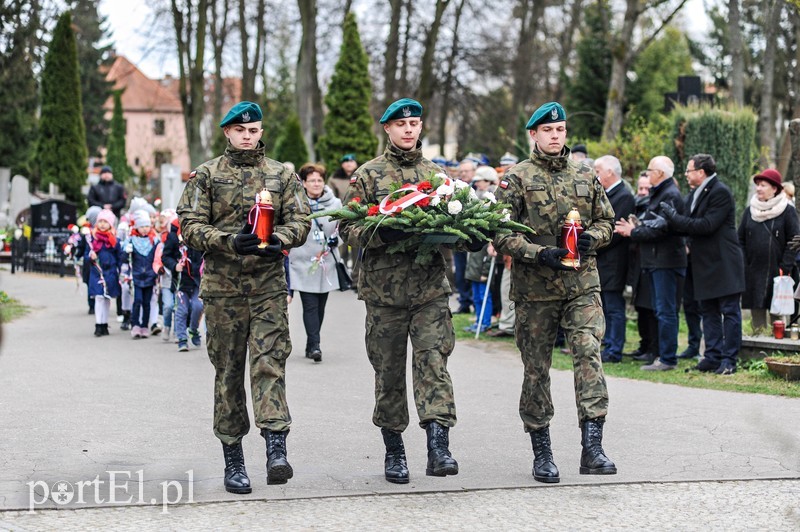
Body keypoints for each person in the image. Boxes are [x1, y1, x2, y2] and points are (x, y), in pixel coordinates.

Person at [178, 101, 310, 493]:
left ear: (260, 132)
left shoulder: (281, 175)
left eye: (254, 130)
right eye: (241, 130)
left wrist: (281, 240)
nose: (248, 136)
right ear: (228, 133)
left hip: (268, 287)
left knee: (270, 363)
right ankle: (233, 460)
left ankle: (276, 451)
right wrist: (228, 241)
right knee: (229, 372)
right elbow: (189, 224)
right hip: (223, 290)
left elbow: (300, 220)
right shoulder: (206, 175)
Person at [341, 98, 463, 485]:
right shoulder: (368, 175)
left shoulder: (438, 176)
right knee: (389, 373)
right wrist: (380, 233)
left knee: (434, 365)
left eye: (414, 122)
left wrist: (467, 238)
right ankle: (394, 451)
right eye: (401, 124)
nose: (409, 129)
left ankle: (438, 446)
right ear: (387, 129)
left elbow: (457, 221)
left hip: (429, 290)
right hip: (384, 295)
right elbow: (347, 228)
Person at [493, 101, 616, 484]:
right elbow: (500, 232)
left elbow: (606, 219)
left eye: (560, 130)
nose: (555, 135)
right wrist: (539, 253)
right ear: (533, 134)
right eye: (548, 130)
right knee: (536, 369)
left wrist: (590, 240)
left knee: (588, 355)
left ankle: (592, 446)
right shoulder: (515, 178)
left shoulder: (585, 173)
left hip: (582, 284)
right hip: (535, 290)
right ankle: (542, 450)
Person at [659, 154, 745, 375]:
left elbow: (706, 225)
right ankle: (712, 356)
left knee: (729, 311)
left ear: (701, 172)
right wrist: (667, 221)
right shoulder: (694, 194)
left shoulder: (720, 192)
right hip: (703, 263)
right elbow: (686, 225)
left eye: (689, 171)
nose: (686, 175)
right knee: (708, 311)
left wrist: (675, 218)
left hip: (724, 261)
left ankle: (729, 359)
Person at [615, 156, 686, 371]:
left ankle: (667, 358)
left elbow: (663, 228)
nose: (647, 173)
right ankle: (661, 355)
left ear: (661, 174)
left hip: (666, 260)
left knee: (666, 311)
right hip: (656, 260)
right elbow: (653, 221)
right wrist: (638, 224)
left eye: (650, 170)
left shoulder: (670, 194)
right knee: (660, 310)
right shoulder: (660, 193)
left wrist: (633, 231)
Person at [287, 162, 343, 363]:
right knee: (309, 305)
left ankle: (312, 343)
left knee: (320, 306)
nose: (317, 183)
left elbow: (342, 227)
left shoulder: (335, 204)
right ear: (303, 183)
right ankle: (315, 345)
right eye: (312, 180)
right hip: (303, 262)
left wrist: (338, 240)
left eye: (319, 180)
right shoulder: (297, 204)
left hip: (326, 262)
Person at [737, 169, 799, 333]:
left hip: (777, 271)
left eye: (763, 185)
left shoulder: (787, 211)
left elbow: (795, 239)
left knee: (777, 314)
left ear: (775, 188)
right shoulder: (750, 211)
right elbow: (740, 239)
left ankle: (777, 347)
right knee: (757, 312)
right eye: (757, 185)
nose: (758, 188)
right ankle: (758, 348)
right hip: (753, 270)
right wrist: (745, 263)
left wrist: (785, 266)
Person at [594, 155, 635, 363]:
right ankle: (608, 344)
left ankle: (614, 348)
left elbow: (616, 231)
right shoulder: (607, 193)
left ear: (610, 172)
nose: (596, 174)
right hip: (604, 260)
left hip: (614, 260)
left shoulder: (624, 196)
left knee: (614, 306)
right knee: (606, 306)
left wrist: (594, 245)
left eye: (598, 170)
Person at [162, 220, 205, 352]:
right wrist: (174, 266)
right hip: (181, 282)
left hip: (197, 280)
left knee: (198, 307)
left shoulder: (199, 233)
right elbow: (166, 256)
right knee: (182, 310)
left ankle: (193, 329)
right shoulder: (173, 237)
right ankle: (182, 339)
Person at [86, 209, 123, 336]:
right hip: (97, 272)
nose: (102, 224)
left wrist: (121, 271)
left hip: (110, 273)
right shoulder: (92, 238)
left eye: (105, 222)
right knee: (99, 297)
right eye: (100, 221)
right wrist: (90, 256)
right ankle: (98, 324)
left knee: (107, 299)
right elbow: (86, 256)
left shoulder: (114, 240)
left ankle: (104, 324)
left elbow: (119, 257)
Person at [127, 211, 159, 339]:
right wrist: (126, 251)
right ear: (137, 227)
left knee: (147, 302)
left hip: (150, 276)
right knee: (138, 300)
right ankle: (135, 324)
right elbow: (125, 259)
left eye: (147, 226)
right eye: (142, 226)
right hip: (137, 275)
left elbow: (157, 258)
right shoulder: (132, 241)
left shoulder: (154, 241)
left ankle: (145, 326)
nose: (145, 229)